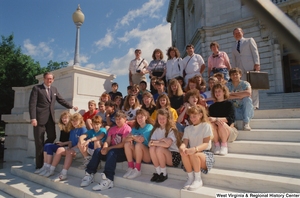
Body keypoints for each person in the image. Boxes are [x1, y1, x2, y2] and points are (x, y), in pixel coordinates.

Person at [29, 72, 78, 170]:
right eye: (47, 78)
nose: (49, 80)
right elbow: (32, 104)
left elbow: (61, 100)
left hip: (50, 119)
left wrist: (71, 106)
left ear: (53, 80)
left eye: (51, 79)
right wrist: (33, 118)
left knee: (52, 136)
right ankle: (39, 165)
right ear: (44, 79)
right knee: (39, 142)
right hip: (39, 119)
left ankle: (44, 149)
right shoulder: (37, 88)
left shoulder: (54, 89)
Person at [80, 111, 131, 191]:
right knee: (97, 151)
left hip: (123, 152)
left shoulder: (127, 129)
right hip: (112, 150)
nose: (117, 121)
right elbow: (107, 141)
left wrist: (109, 148)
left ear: (125, 119)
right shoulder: (112, 129)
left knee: (111, 152)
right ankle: (89, 174)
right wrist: (105, 147)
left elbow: (123, 144)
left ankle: (108, 179)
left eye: (119, 119)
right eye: (116, 119)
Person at [179, 105, 214, 191]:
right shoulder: (188, 129)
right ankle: (190, 178)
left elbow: (206, 143)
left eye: (194, 116)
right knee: (184, 153)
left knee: (194, 154)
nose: (192, 119)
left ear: (201, 115)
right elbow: (185, 143)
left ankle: (198, 179)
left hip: (205, 153)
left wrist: (195, 149)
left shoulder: (206, 126)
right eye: (191, 117)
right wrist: (182, 147)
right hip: (192, 152)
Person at [50, 113, 87, 181]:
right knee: (60, 149)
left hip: (81, 150)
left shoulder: (83, 129)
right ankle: (51, 169)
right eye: (73, 121)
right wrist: (69, 147)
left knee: (69, 152)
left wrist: (70, 149)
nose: (74, 122)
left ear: (80, 120)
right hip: (73, 148)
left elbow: (81, 143)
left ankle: (64, 174)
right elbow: (70, 142)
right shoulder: (72, 130)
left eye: (76, 120)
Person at [149, 109, 181, 183]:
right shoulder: (156, 130)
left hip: (174, 156)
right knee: (152, 148)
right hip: (162, 154)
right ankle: (158, 172)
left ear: (168, 119)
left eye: (163, 118)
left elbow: (167, 144)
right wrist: (161, 141)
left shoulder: (172, 130)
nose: (161, 120)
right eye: (159, 118)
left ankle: (163, 173)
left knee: (159, 148)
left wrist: (156, 142)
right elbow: (150, 143)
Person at [34, 111, 71, 175]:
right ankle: (45, 166)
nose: (64, 119)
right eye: (62, 118)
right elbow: (62, 139)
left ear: (69, 118)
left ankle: (48, 167)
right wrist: (59, 142)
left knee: (49, 146)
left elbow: (71, 141)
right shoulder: (62, 127)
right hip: (61, 144)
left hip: (66, 146)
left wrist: (63, 143)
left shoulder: (71, 128)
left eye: (65, 118)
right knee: (47, 145)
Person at [232, 27, 260, 109]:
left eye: (238, 32)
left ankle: (255, 105)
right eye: (235, 33)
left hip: (250, 66)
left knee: (254, 86)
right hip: (240, 69)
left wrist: (257, 63)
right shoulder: (233, 46)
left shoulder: (249, 40)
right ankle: (246, 104)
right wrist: (234, 71)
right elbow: (234, 59)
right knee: (243, 87)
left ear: (242, 33)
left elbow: (255, 52)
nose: (237, 34)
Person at [123, 109, 154, 179]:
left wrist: (132, 137)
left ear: (146, 117)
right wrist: (134, 137)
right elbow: (126, 139)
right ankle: (131, 167)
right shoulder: (135, 128)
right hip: (137, 154)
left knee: (138, 145)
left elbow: (141, 140)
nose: (139, 119)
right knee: (127, 144)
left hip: (147, 155)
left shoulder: (149, 126)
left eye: (141, 117)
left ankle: (137, 169)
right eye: (138, 117)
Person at [208, 83, 238, 155]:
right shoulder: (212, 107)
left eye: (219, 91)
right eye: (215, 91)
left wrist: (216, 119)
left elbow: (230, 119)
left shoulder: (229, 104)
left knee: (220, 122)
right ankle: (217, 145)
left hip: (228, 130)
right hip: (217, 132)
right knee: (211, 124)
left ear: (224, 92)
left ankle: (224, 146)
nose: (217, 93)